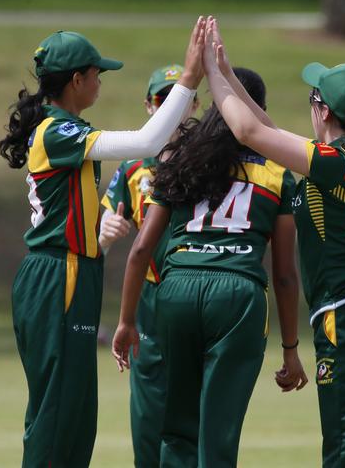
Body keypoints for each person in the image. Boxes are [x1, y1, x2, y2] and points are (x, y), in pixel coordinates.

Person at [203, 17, 345, 467]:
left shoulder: (333, 163)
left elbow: (248, 134)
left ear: (324, 111)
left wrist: (212, 75)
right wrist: (228, 76)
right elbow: (268, 131)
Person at [0, 19, 206, 468]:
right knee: (57, 415)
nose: (99, 83)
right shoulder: (58, 131)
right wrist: (188, 81)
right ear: (76, 80)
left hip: (73, 270)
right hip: (58, 275)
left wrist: (99, 239)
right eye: (96, 75)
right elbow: (147, 140)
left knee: (75, 417)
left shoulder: (66, 128)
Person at [112, 65, 308, 467]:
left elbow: (140, 250)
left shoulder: (180, 163)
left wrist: (127, 320)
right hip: (237, 295)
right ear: (258, 110)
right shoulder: (276, 175)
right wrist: (290, 349)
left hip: (177, 289)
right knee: (217, 432)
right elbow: (285, 275)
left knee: (177, 429)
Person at [98, 63, 200, 467]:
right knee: (146, 420)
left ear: (194, 106)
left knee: (193, 416)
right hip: (149, 301)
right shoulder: (132, 168)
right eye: (162, 101)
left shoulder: (208, 165)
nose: (172, 110)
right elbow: (96, 244)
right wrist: (105, 234)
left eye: (183, 101)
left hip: (195, 293)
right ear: (149, 106)